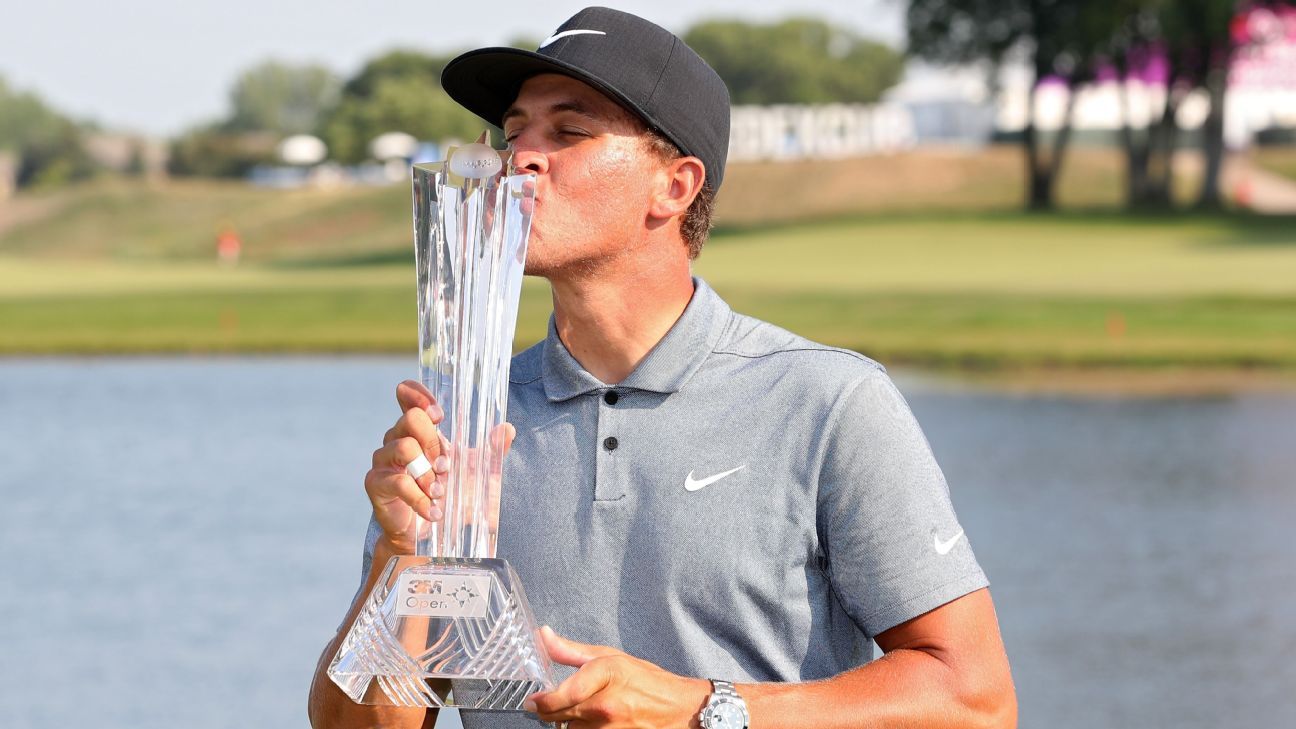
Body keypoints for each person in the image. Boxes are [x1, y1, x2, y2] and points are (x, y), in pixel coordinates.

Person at [309, 8, 1016, 729]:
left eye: (569, 132)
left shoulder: (828, 402)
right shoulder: (463, 418)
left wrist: (704, 707)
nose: (521, 156)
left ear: (675, 186)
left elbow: (975, 699)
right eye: (514, 130)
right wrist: (402, 559)